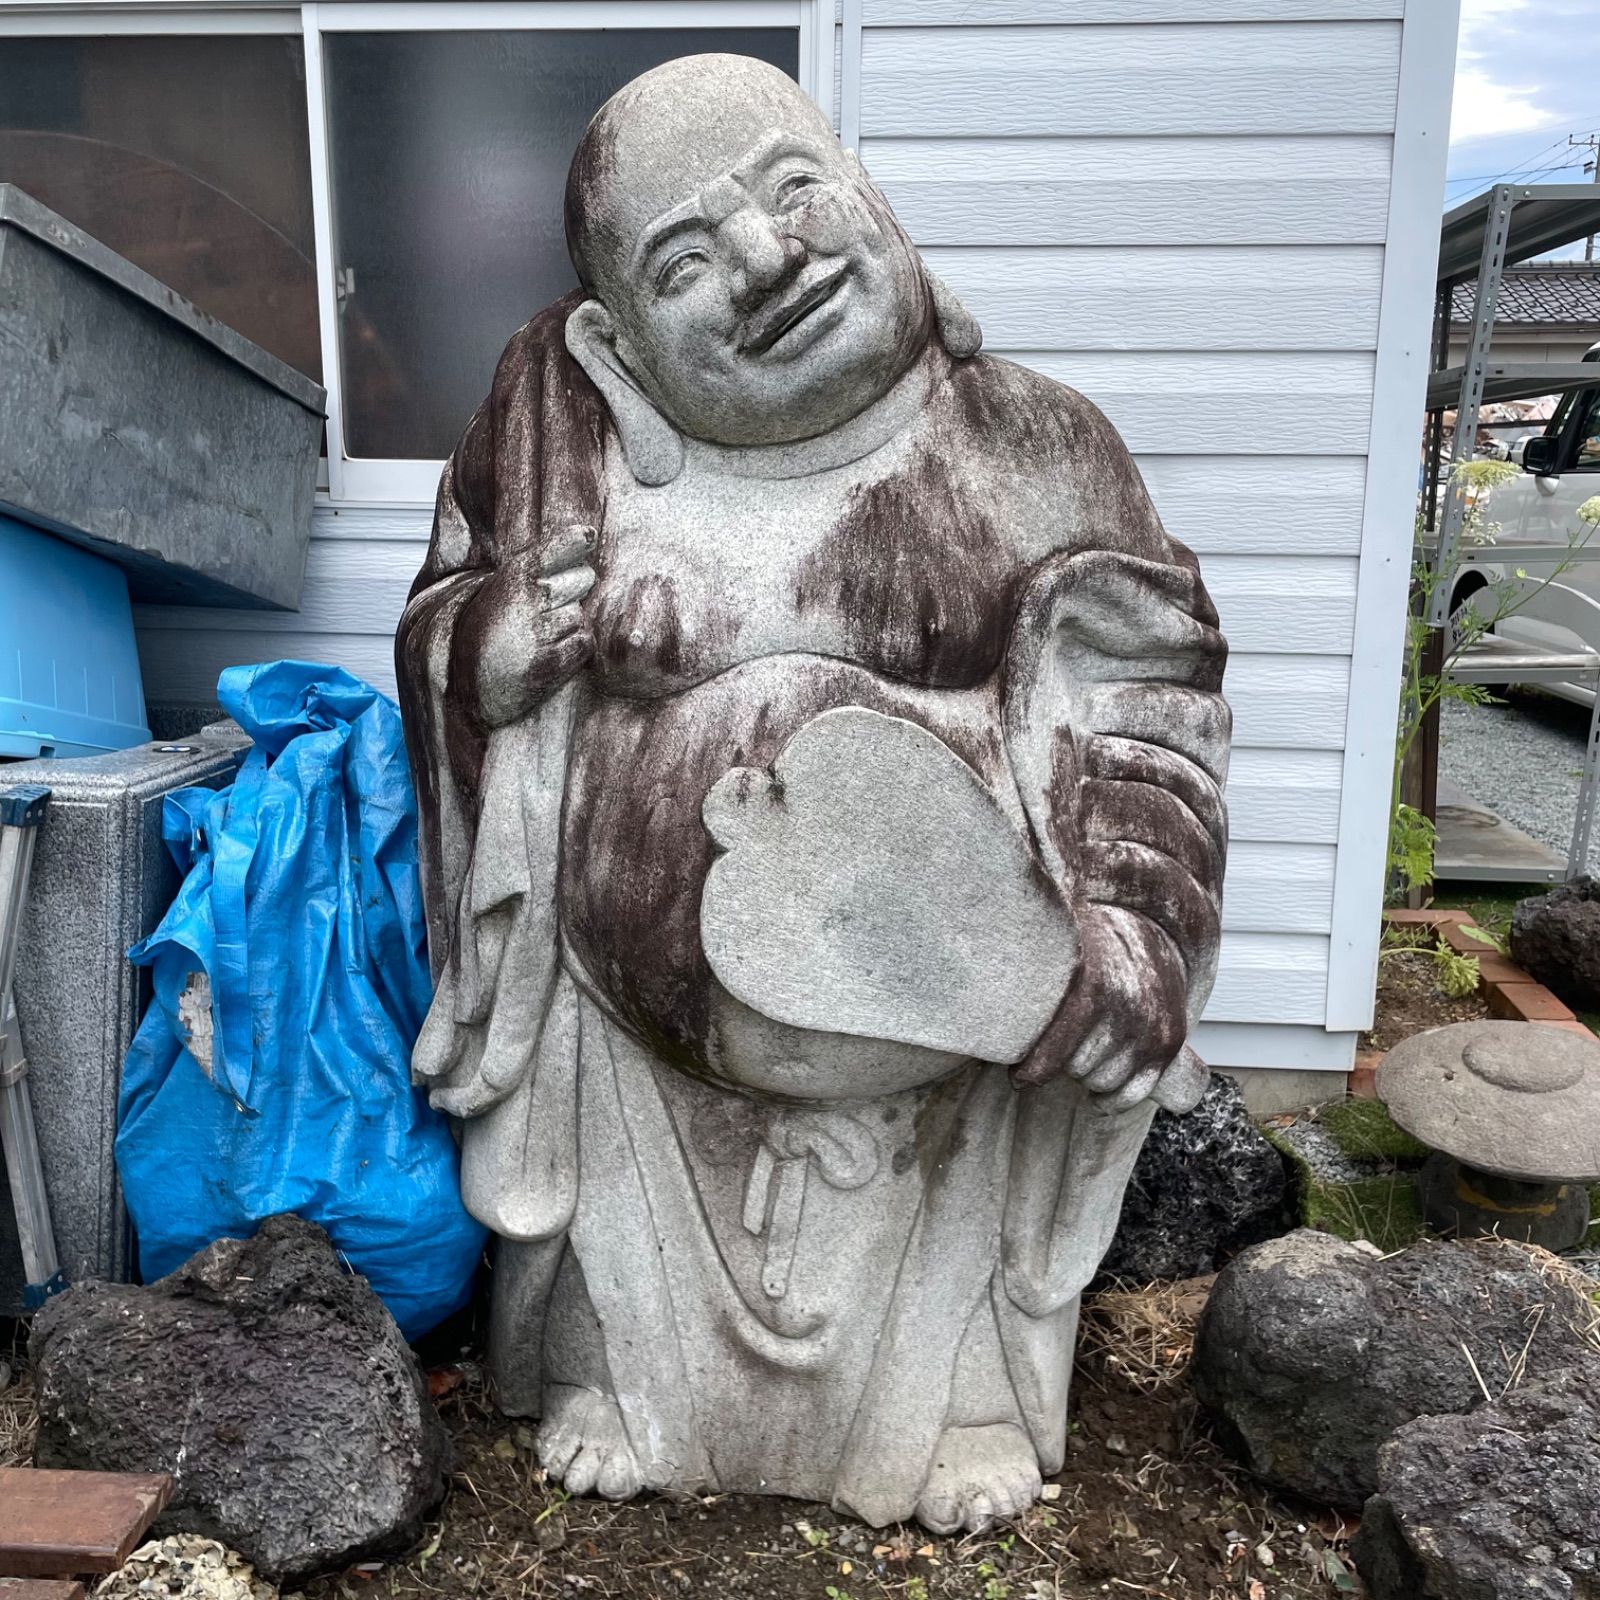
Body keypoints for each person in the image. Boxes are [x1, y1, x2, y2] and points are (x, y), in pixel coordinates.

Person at [396, 53, 1229, 1534]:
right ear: (621, 346)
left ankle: (959, 1388)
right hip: (632, 1056)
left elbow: (1147, 709)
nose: (769, 262)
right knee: (605, 1141)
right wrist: (497, 649)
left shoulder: (1034, 447)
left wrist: (1130, 918)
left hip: (952, 1059)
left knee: (1000, 1073)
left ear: (873, 197)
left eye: (795, 193)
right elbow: (447, 608)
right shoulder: (561, 453)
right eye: (688, 261)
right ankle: (626, 1370)